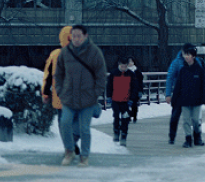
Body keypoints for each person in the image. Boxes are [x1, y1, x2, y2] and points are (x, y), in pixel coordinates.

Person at [53, 24, 107, 167]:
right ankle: (69, 151)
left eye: (79, 36)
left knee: (84, 129)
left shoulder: (94, 52)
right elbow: (58, 74)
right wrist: (60, 91)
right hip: (69, 98)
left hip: (87, 100)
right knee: (65, 123)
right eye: (74, 36)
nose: (76, 39)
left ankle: (84, 156)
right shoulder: (65, 52)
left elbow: (101, 76)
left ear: (85, 36)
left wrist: (95, 94)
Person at [42, 26, 79, 155]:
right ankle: (73, 141)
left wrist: (45, 93)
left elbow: (47, 76)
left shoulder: (55, 55)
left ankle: (69, 146)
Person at [170, 44, 205, 148]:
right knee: (186, 120)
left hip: (197, 100)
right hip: (184, 100)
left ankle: (197, 136)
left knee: (196, 120)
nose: (185, 56)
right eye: (184, 55)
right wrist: (174, 99)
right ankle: (188, 139)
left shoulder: (199, 70)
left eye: (188, 54)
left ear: (193, 56)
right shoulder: (183, 70)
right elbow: (178, 86)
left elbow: (204, 85)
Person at [106, 57, 140, 147]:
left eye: (125, 66)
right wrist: (109, 96)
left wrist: (132, 99)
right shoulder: (113, 73)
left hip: (126, 101)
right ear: (119, 65)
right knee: (116, 116)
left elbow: (134, 88)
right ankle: (116, 132)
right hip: (115, 100)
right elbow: (109, 85)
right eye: (122, 66)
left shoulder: (131, 74)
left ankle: (124, 136)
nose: (124, 68)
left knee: (125, 119)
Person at [164, 44, 194, 145]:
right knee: (175, 116)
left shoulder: (195, 61)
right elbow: (170, 78)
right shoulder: (176, 62)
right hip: (179, 94)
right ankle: (172, 136)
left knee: (190, 118)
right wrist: (168, 94)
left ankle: (190, 138)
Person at [126, 57, 143, 123]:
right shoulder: (125, 71)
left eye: (131, 61)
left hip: (135, 90)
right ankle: (128, 116)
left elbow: (140, 82)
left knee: (134, 104)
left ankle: (134, 116)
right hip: (126, 90)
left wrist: (140, 90)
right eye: (129, 62)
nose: (130, 63)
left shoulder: (137, 71)